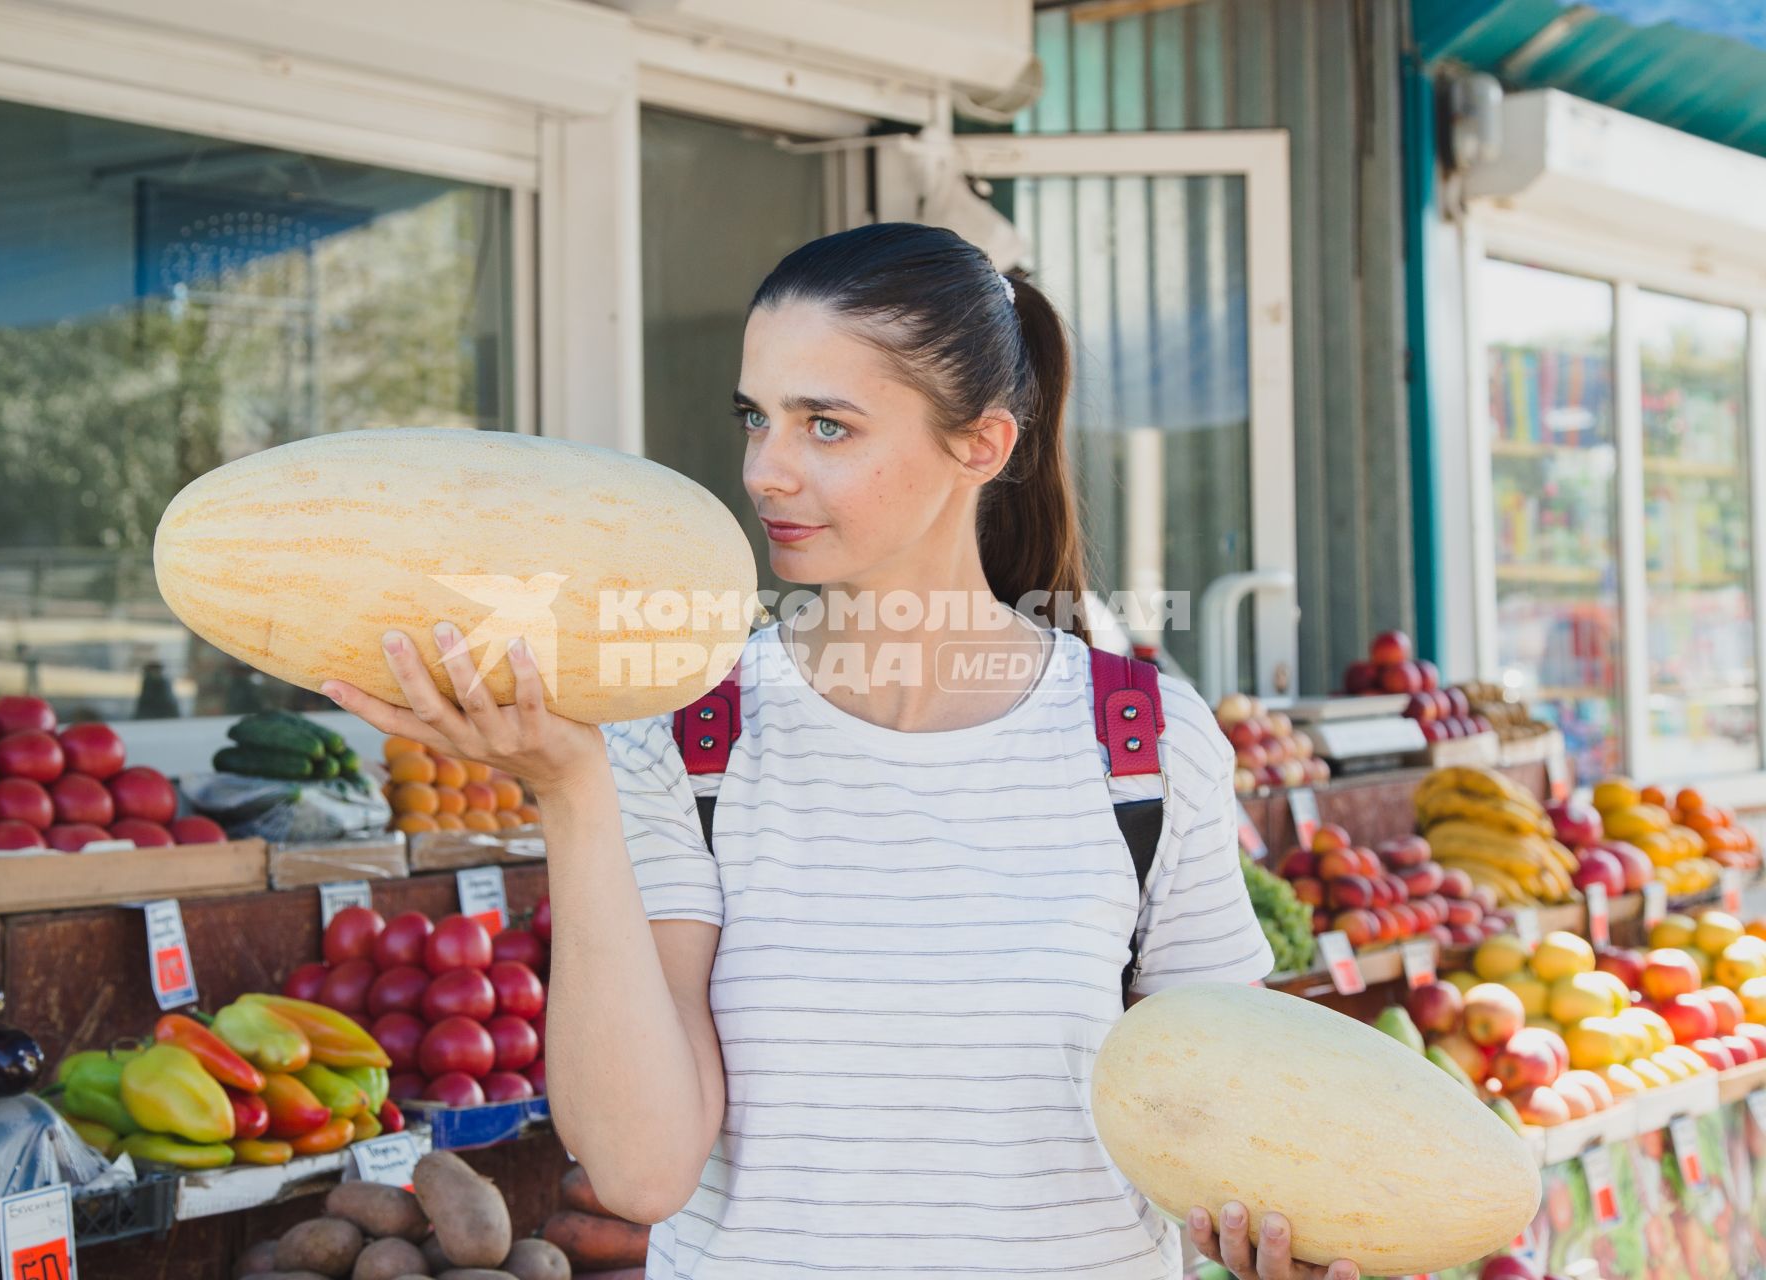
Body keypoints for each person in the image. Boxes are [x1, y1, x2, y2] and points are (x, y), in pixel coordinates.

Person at [321, 223, 1357, 1280]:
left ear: (982, 446)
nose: (766, 470)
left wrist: (1276, 1233)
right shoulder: (683, 730)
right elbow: (641, 1171)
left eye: (826, 425)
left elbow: (1233, 1125)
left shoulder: (1140, 741)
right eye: (755, 417)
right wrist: (572, 789)